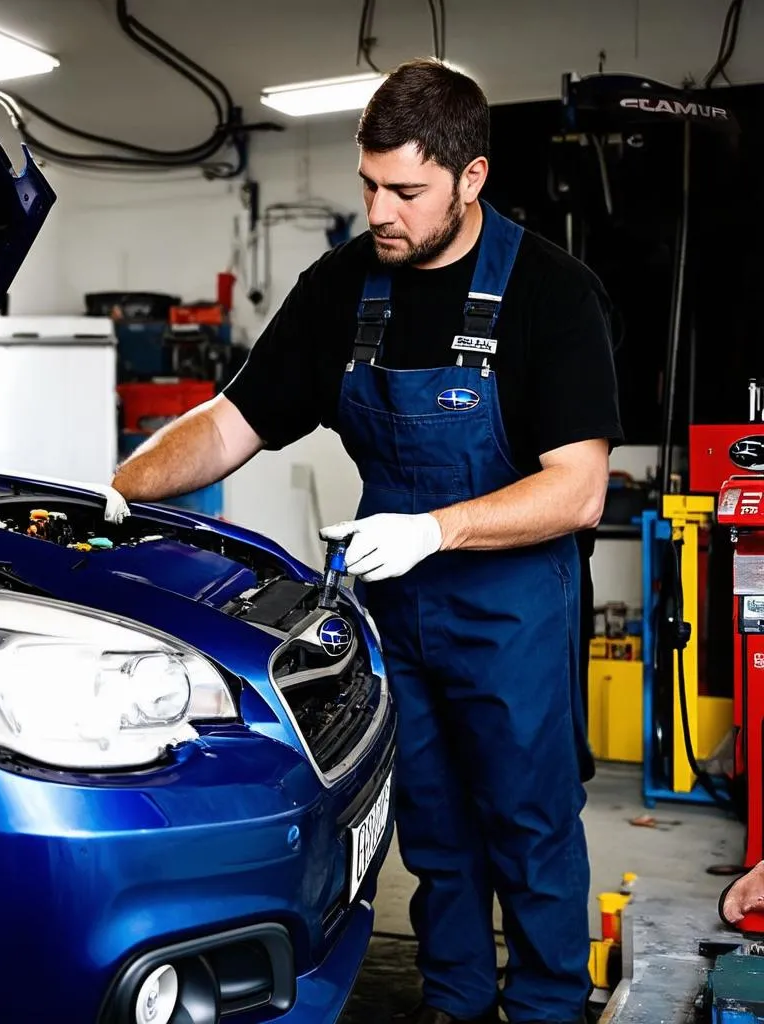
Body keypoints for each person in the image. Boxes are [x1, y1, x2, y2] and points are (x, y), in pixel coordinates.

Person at [109, 58, 623, 1024]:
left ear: (470, 180)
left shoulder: (553, 293)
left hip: (508, 610)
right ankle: (456, 1000)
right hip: (392, 612)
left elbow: (579, 489)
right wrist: (114, 490)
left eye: (405, 190)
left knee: (528, 826)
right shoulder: (346, 285)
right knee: (429, 826)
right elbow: (232, 421)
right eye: (369, 185)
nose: (379, 210)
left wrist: (436, 529)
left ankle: (552, 1007)